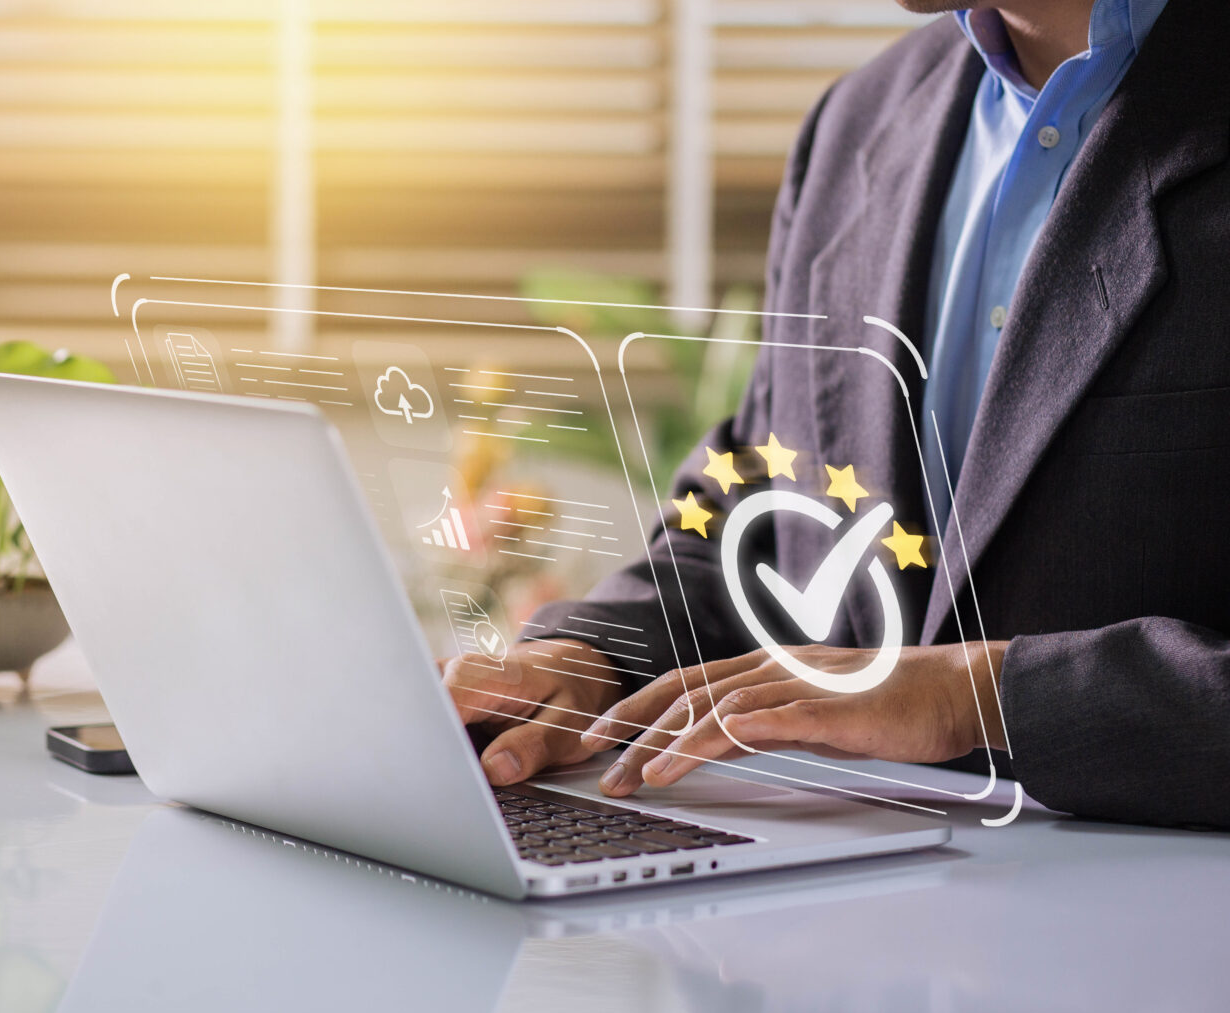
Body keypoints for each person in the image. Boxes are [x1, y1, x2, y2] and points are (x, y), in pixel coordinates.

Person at [445, 0, 1230, 830]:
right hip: (857, 910)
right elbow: (759, 500)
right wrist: (596, 657)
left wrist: (983, 700)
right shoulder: (858, 121)